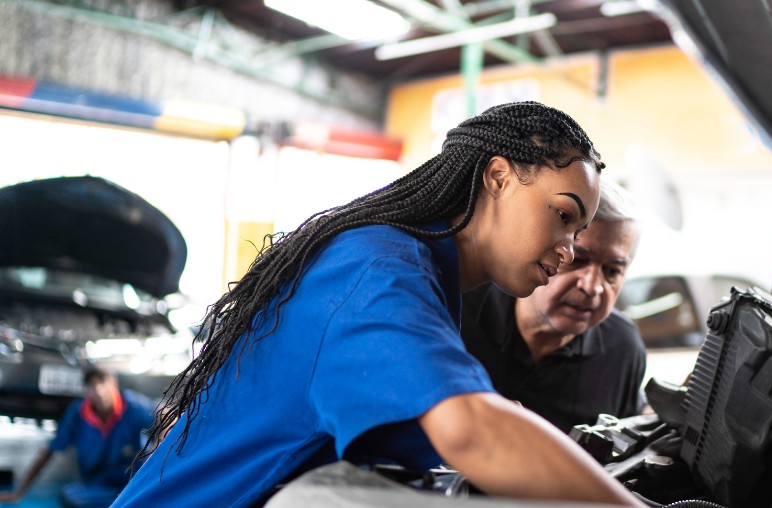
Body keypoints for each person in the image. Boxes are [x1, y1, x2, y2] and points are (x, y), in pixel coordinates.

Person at [111, 102, 643, 507]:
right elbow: (469, 430)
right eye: (564, 216)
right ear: (498, 178)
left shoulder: (419, 268)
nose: (569, 248)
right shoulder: (379, 270)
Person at [461, 178, 646, 432]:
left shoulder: (622, 347)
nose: (592, 286)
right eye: (577, 260)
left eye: (612, 271)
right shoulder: (457, 308)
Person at [0, 367, 156, 508]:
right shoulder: (77, 413)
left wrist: (156, 451)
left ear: (113, 383)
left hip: (133, 478)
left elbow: (166, 415)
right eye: (92, 386)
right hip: (98, 484)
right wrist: (19, 492)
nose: (99, 391)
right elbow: (50, 450)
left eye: (102, 383)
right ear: (86, 390)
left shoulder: (132, 404)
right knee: (71, 496)